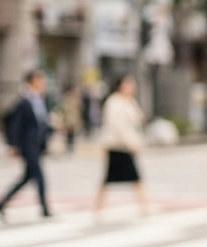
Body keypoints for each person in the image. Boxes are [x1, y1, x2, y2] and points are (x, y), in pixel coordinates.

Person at [0, 70, 53, 219]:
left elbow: (41, 123)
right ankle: (44, 208)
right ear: (31, 82)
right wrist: (13, 145)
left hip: (38, 145)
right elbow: (16, 125)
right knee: (39, 176)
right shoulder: (23, 102)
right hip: (28, 145)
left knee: (27, 177)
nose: (43, 83)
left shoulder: (41, 100)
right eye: (40, 80)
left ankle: (2, 202)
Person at [95, 75, 149, 216]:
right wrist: (131, 143)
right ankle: (97, 207)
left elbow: (137, 121)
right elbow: (118, 127)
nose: (132, 87)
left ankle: (144, 206)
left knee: (134, 177)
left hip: (126, 145)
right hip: (117, 146)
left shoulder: (129, 101)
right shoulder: (114, 102)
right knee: (110, 178)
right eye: (128, 84)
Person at [60, 82, 83, 153]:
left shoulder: (76, 98)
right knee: (68, 134)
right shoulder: (67, 99)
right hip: (69, 119)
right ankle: (68, 146)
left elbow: (78, 110)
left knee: (73, 134)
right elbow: (64, 110)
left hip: (73, 119)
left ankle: (71, 146)